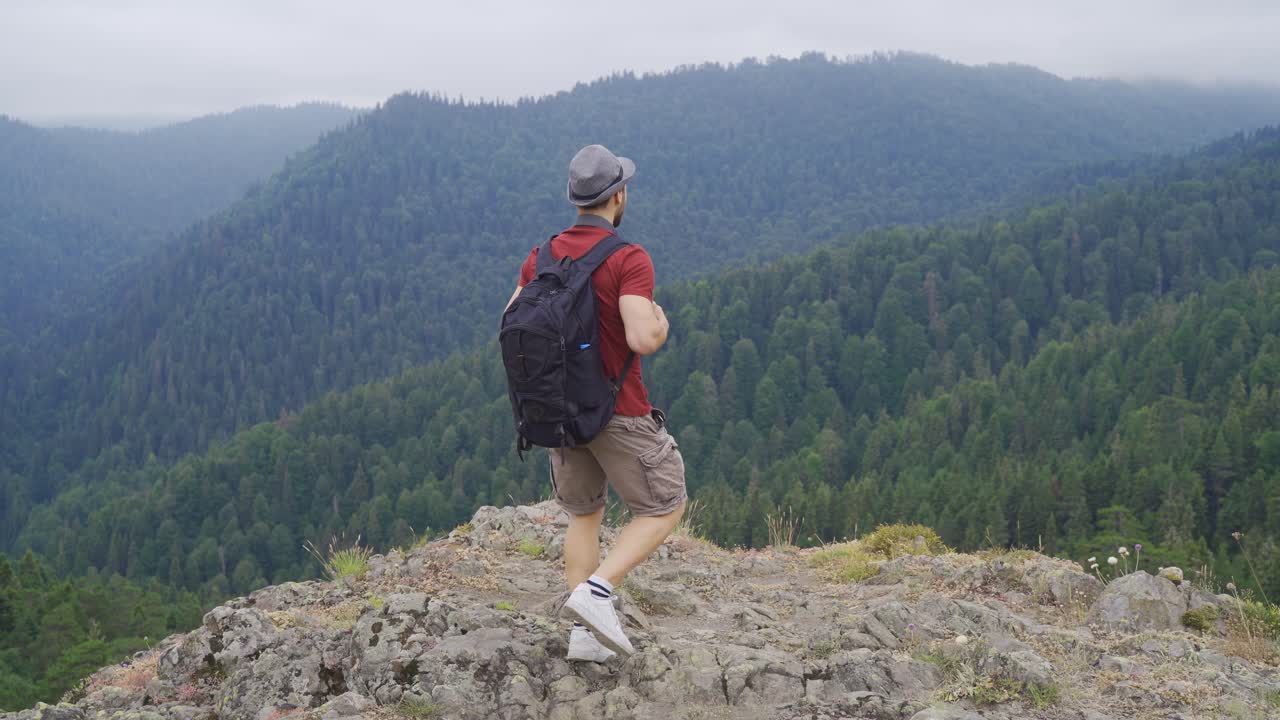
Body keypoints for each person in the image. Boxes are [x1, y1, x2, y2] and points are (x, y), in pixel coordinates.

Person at [503, 144, 687, 661]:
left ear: (576, 199)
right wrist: (659, 319)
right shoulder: (628, 258)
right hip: (616, 409)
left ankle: (585, 640)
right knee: (664, 505)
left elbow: (512, 320)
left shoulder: (540, 257)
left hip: (557, 412)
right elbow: (641, 337)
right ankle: (596, 592)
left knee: (584, 515)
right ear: (618, 196)